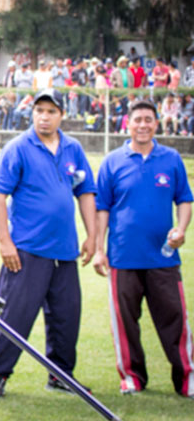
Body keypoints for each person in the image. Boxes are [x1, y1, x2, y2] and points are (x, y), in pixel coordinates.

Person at [0, 88, 96, 398]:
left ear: (62, 115)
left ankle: (61, 375)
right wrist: (5, 242)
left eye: (51, 111)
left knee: (66, 317)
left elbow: (86, 192)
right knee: (15, 315)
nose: (44, 117)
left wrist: (93, 236)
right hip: (26, 250)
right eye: (39, 111)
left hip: (65, 251)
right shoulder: (18, 148)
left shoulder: (73, 148)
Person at [92, 99, 194, 398]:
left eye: (149, 119)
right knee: (125, 323)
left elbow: (184, 199)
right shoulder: (112, 161)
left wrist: (181, 229)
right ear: (129, 123)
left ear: (156, 123)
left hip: (163, 257)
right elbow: (102, 209)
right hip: (123, 257)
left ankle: (187, 378)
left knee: (175, 320)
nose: (143, 125)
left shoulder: (171, 158)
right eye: (137, 119)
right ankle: (132, 377)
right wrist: (98, 249)